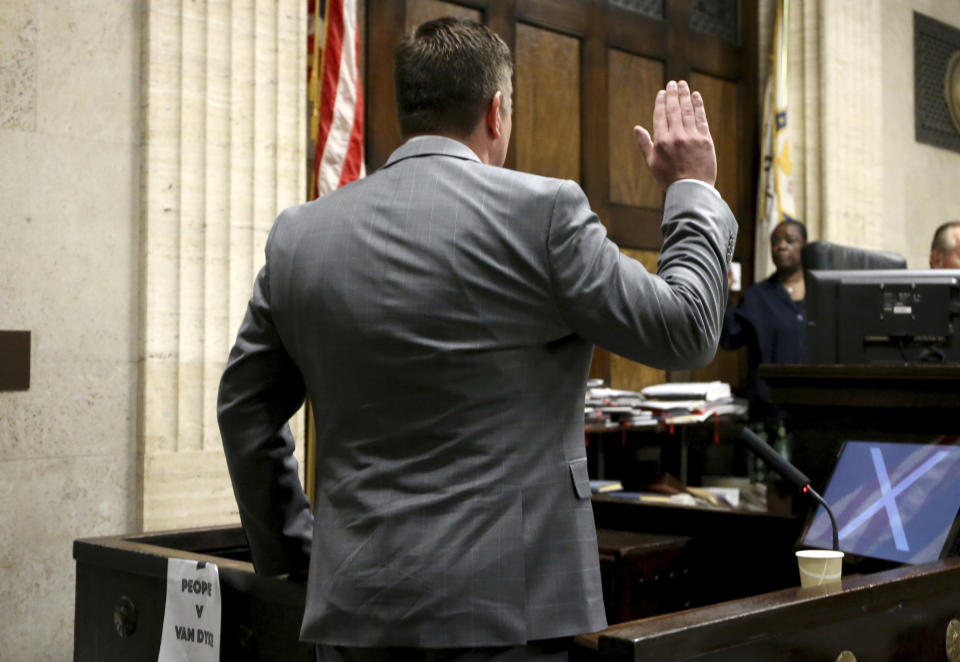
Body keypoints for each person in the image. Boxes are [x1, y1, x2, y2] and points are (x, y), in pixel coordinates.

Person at [217, 17, 736, 662]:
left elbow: (244, 412)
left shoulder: (300, 235)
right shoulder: (543, 214)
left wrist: (296, 553)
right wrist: (693, 190)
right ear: (496, 112)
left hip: (354, 613)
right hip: (508, 617)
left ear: (406, 109)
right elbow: (686, 329)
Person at [720, 220, 807, 459]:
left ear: (804, 247)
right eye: (775, 241)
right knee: (776, 488)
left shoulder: (822, 292)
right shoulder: (757, 296)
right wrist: (724, 294)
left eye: (790, 240)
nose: (781, 246)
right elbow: (730, 339)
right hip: (770, 410)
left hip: (814, 410)